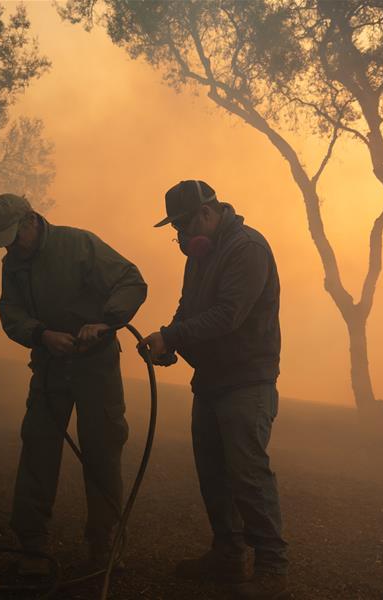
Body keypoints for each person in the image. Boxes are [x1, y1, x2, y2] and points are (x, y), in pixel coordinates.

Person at [139, 180, 288, 599]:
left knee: (247, 473)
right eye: (177, 230)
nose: (182, 237)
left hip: (247, 380)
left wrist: (175, 336)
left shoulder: (247, 249)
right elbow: (190, 308)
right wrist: (172, 338)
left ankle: (272, 568)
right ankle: (228, 556)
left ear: (208, 212)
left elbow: (228, 315)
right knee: (213, 472)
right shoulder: (200, 255)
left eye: (184, 226)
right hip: (211, 379)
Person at [0, 193, 147, 576]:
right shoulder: (14, 264)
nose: (9, 246)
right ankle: (33, 547)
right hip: (50, 368)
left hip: (96, 367)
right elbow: (10, 311)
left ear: (30, 221)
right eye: (3, 240)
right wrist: (41, 334)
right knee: (38, 450)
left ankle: (102, 545)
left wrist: (106, 321)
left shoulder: (78, 244)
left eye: (12, 235)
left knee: (102, 452)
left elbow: (131, 281)